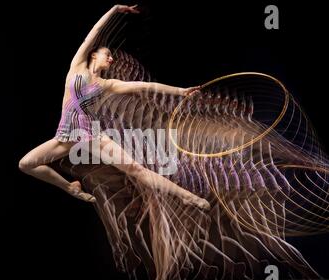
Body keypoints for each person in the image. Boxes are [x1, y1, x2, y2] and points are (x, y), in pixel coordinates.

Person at [18, 4, 211, 212]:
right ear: (93, 55)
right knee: (26, 164)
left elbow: (146, 86)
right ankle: (70, 188)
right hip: (66, 137)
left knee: (135, 169)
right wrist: (114, 10)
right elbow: (94, 33)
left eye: (111, 57)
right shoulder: (77, 66)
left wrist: (180, 91)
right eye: (107, 54)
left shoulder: (106, 85)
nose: (111, 59)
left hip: (93, 136)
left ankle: (187, 197)